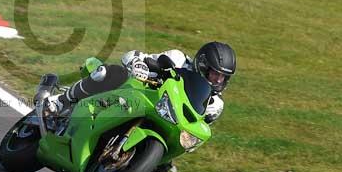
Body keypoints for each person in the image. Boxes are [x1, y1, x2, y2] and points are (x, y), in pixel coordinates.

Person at [43, 41, 237, 126]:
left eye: (223, 77)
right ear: (202, 64)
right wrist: (140, 66)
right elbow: (133, 56)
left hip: (160, 117)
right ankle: (61, 102)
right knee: (109, 73)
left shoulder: (215, 105)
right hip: (133, 95)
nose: (218, 80)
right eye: (214, 74)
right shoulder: (178, 59)